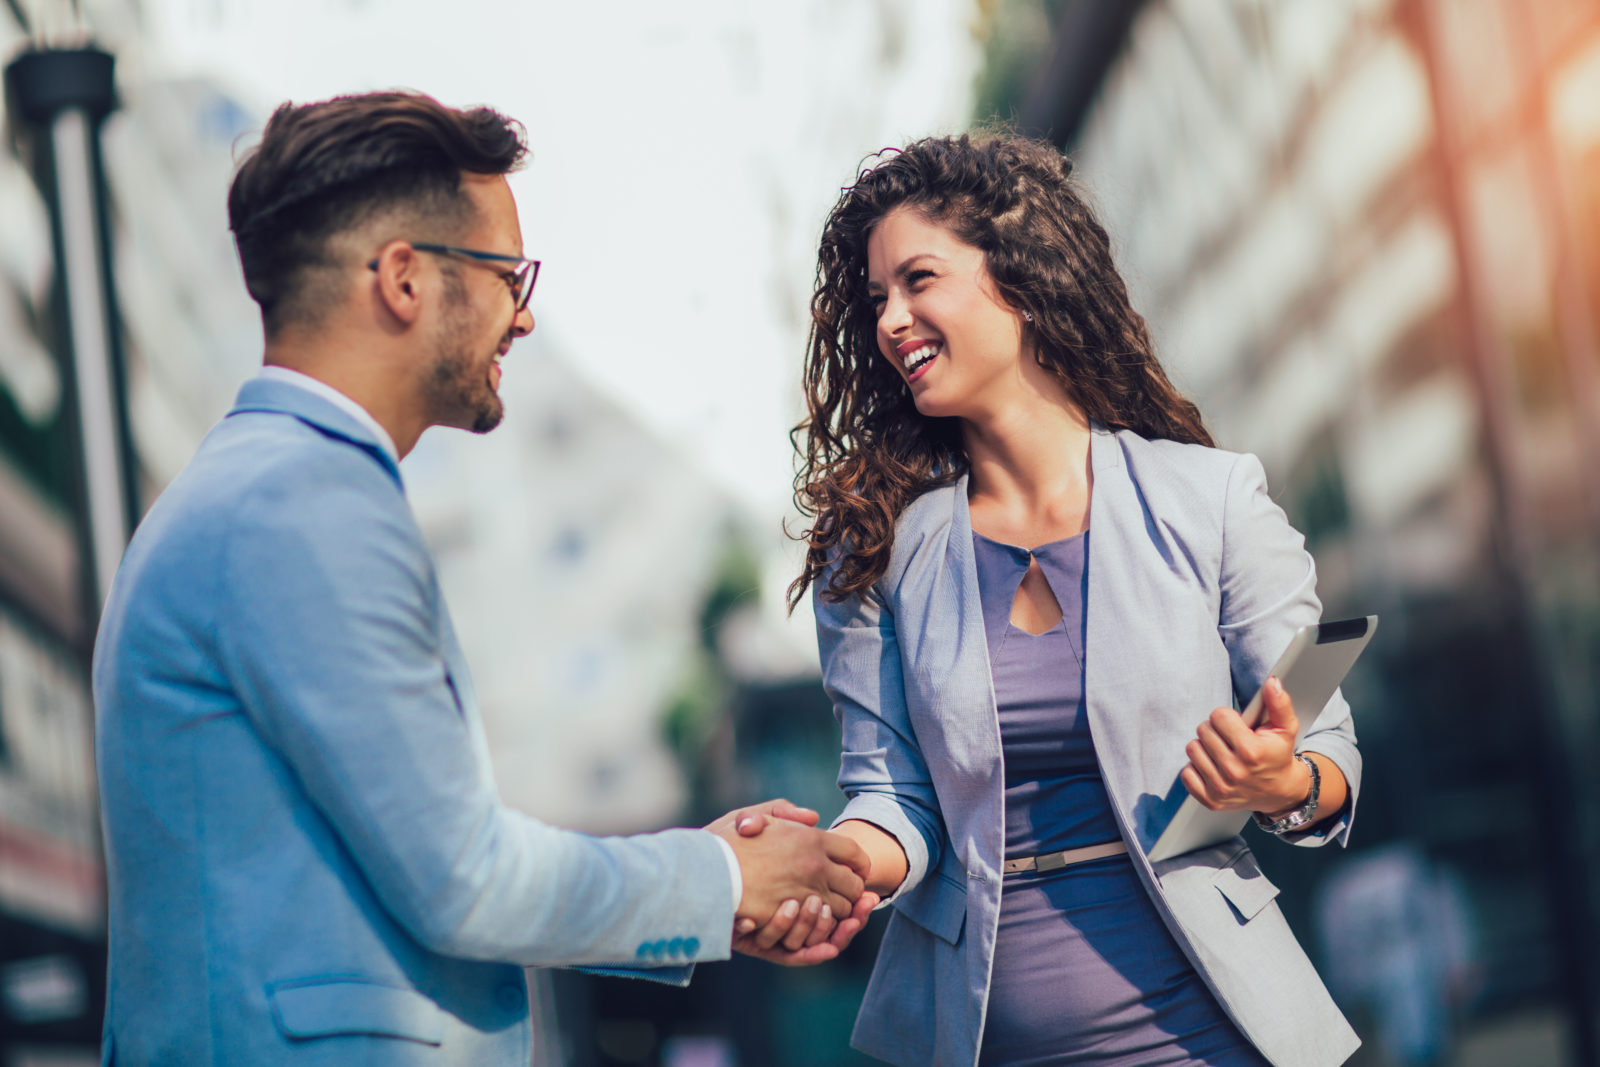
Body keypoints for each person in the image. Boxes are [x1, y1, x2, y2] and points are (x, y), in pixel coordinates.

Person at [91, 90, 873, 1065]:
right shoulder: (302, 504)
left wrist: (713, 883)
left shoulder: (262, 489)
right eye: (509, 272)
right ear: (405, 279)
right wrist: (718, 877)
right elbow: (463, 877)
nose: (527, 313)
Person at [776, 131, 1364, 1066]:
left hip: (1211, 1036)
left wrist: (1282, 781)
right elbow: (893, 797)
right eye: (877, 297)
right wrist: (837, 864)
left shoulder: (1208, 498)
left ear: (1018, 275)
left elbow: (1327, 750)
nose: (890, 319)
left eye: (918, 280)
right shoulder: (875, 548)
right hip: (988, 1041)